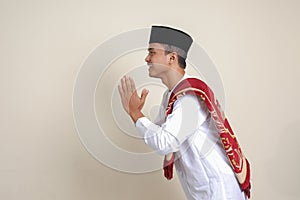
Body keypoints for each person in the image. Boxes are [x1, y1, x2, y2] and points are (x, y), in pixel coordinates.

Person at [118, 25, 250, 200]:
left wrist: (136, 114)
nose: (146, 58)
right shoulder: (172, 94)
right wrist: (136, 113)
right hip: (204, 189)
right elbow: (158, 132)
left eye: (152, 52)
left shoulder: (190, 97)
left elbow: (165, 142)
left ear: (172, 58)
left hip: (219, 190)